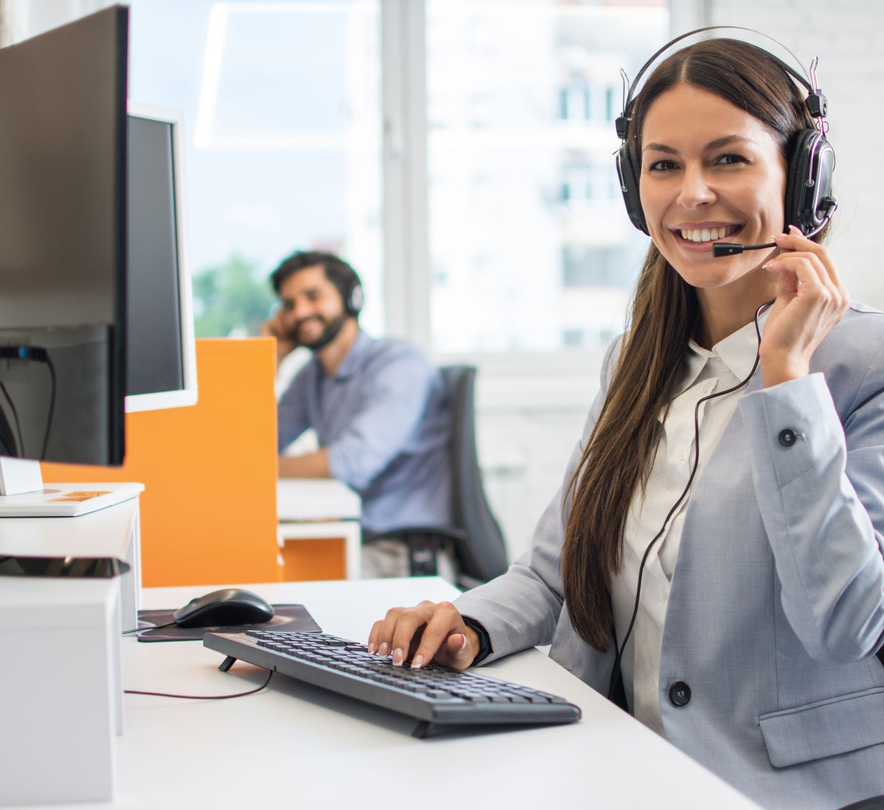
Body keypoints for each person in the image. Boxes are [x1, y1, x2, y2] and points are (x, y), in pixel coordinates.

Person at [366, 35, 884, 810]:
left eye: (729, 159)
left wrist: (787, 382)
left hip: (777, 790)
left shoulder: (862, 370)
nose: (692, 194)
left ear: (803, 177)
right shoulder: (635, 362)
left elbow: (847, 623)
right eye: (663, 163)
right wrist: (463, 624)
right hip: (613, 765)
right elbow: (551, 572)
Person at [263, 250, 454, 576]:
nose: (300, 312)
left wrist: (258, 469)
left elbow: (352, 461)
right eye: (289, 304)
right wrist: (271, 357)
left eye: (313, 296)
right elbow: (262, 440)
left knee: (284, 587)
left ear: (352, 298)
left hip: (400, 554)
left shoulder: (398, 362)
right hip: (356, 538)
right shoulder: (312, 377)